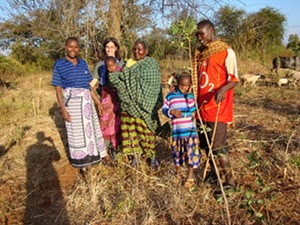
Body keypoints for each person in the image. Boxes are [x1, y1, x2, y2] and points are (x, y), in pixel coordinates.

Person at [192, 20, 238, 188]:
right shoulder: (200, 54)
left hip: (217, 108)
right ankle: (214, 173)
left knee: (218, 146)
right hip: (201, 108)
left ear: (210, 30)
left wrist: (222, 90)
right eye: (197, 35)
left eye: (201, 34)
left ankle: (230, 182)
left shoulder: (226, 51)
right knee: (205, 144)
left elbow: (233, 79)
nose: (199, 38)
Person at [52, 37, 107, 168]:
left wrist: (98, 102)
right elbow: (58, 89)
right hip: (73, 105)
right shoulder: (59, 64)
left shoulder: (82, 63)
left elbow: (89, 86)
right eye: (70, 47)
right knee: (76, 134)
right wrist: (63, 109)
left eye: (76, 47)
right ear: (65, 47)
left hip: (87, 103)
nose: (73, 50)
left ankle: (94, 157)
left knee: (91, 130)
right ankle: (81, 162)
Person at [107, 39, 162, 168]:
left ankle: (151, 158)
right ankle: (135, 157)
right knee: (131, 133)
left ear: (147, 51)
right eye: (134, 49)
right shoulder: (129, 64)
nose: (137, 51)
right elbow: (122, 81)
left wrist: (142, 101)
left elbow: (153, 86)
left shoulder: (151, 64)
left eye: (140, 49)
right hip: (127, 104)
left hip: (145, 106)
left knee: (147, 133)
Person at [162, 72, 201, 188]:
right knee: (177, 153)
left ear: (190, 86)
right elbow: (165, 109)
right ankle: (178, 173)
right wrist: (171, 112)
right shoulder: (170, 96)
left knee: (191, 153)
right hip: (177, 132)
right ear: (177, 84)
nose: (184, 88)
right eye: (181, 85)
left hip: (190, 132)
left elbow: (193, 110)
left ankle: (190, 176)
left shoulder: (191, 97)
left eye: (187, 86)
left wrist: (189, 95)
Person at [92, 38, 124, 158]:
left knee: (119, 123)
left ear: (116, 48)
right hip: (105, 100)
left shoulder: (122, 64)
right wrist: (97, 102)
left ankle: (118, 150)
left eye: (112, 47)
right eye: (107, 47)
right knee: (105, 125)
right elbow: (91, 85)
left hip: (120, 98)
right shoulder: (100, 65)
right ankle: (106, 152)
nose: (109, 49)